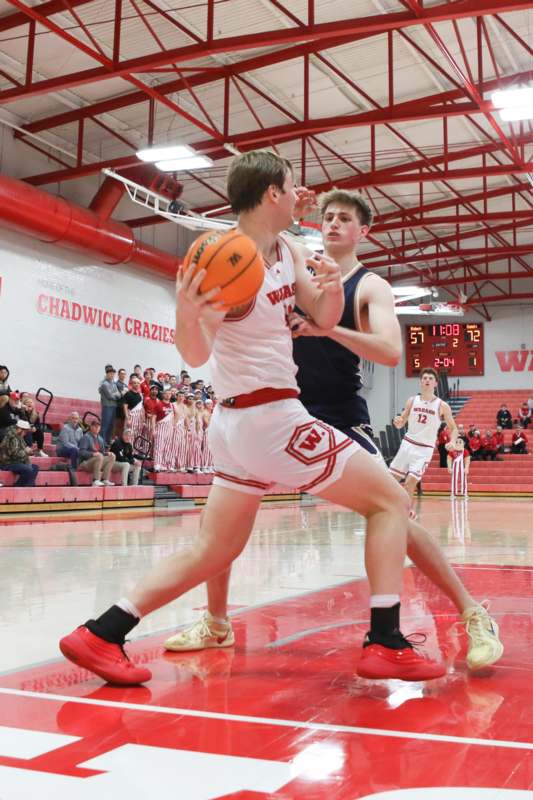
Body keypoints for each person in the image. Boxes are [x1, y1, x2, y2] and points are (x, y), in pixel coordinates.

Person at [59, 149, 447, 686]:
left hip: (240, 427)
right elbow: (195, 354)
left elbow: (323, 316)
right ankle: (386, 641)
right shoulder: (225, 257)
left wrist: (330, 284)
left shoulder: (287, 248)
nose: (301, 197)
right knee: (390, 502)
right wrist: (187, 314)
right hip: (271, 419)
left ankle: (102, 632)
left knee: (214, 548)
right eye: (292, 187)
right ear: (272, 194)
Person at [168, 186, 502, 673]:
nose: (333, 224)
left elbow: (390, 351)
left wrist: (327, 329)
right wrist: (282, 209)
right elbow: (259, 235)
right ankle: (217, 622)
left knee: (395, 510)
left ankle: (472, 612)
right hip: (278, 412)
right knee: (224, 520)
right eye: (328, 217)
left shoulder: (369, 286)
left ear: (363, 231)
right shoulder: (295, 267)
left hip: (340, 414)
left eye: (345, 218)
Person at [390, 368, 459, 512]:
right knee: (390, 480)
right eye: (425, 378)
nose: (427, 380)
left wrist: (452, 442)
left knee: (410, 483)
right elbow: (402, 421)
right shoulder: (412, 400)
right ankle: (387, 510)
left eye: (430, 378)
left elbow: (454, 428)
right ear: (421, 382)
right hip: (407, 444)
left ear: (435, 383)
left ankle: (406, 513)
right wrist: (398, 421)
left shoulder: (442, 405)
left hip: (424, 449)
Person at [0, 419, 39, 486]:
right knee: (28, 469)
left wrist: (30, 451)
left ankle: (27, 488)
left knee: (35, 467)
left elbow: (24, 447)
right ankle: (18, 487)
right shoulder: (12, 437)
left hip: (16, 462)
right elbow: (15, 454)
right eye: (25, 431)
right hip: (7, 463)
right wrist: (26, 452)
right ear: (20, 429)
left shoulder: (19, 436)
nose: (26, 434)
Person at [78, 419, 116, 486]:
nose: (97, 428)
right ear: (91, 427)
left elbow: (102, 452)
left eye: (98, 427)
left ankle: (104, 479)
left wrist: (107, 453)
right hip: (85, 463)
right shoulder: (86, 437)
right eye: (95, 426)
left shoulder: (100, 439)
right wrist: (93, 454)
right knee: (99, 456)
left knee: (112, 456)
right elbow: (81, 452)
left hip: (97, 461)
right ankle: (95, 480)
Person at [98, 366, 121, 444]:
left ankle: (107, 442)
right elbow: (110, 396)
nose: (112, 375)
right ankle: (102, 443)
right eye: (110, 373)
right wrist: (116, 394)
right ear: (107, 374)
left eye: (113, 374)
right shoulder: (104, 384)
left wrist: (115, 394)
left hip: (113, 406)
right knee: (105, 425)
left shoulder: (113, 383)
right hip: (107, 406)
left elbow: (119, 395)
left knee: (111, 425)